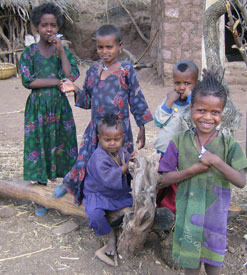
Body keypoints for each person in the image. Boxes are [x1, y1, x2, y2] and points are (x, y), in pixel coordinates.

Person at [158, 70, 247, 275]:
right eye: (201, 110)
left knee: (213, 267)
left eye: (215, 112)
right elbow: (164, 178)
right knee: (190, 268)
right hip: (187, 218)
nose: (207, 117)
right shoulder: (179, 140)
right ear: (191, 109)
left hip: (215, 221)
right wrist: (192, 170)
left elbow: (241, 181)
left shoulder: (228, 144)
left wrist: (217, 161)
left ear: (221, 113)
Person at [56, 24, 153, 205]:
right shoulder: (93, 71)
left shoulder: (126, 70)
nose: (104, 51)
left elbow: (136, 97)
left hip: (118, 130)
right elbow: (87, 101)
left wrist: (142, 126)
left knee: (120, 163)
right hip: (96, 129)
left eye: (109, 47)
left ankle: (120, 201)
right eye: (100, 47)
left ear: (119, 46)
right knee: (86, 159)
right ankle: (75, 186)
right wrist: (75, 89)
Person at [20, 3, 80, 215]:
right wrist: (55, 82)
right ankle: (41, 196)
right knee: (40, 144)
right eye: (44, 25)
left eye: (53, 25)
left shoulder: (61, 51)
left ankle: (67, 188)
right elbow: (29, 81)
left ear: (58, 27)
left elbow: (70, 75)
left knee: (64, 142)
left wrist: (61, 49)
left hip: (59, 107)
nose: (49, 29)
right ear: (36, 26)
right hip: (37, 108)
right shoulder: (29, 53)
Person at [83, 114, 134, 264]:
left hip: (117, 193)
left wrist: (134, 163)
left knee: (135, 205)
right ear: (99, 138)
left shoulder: (123, 153)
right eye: (107, 140)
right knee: (94, 214)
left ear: (122, 137)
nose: (112, 143)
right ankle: (110, 235)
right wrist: (125, 167)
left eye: (116, 139)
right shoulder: (98, 156)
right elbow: (107, 177)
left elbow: (129, 173)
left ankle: (121, 225)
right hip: (98, 193)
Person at [154, 60, 198, 214]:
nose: (181, 87)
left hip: (183, 154)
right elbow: (158, 121)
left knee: (176, 185)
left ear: (195, 83)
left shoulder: (195, 105)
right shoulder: (169, 102)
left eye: (187, 83)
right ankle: (159, 208)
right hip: (165, 151)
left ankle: (172, 212)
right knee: (162, 182)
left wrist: (191, 98)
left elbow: (196, 121)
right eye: (177, 83)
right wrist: (168, 102)